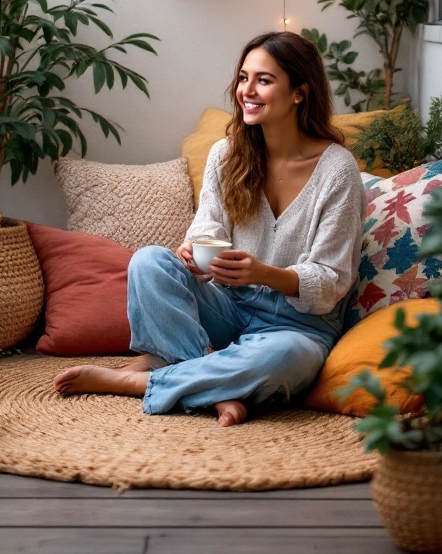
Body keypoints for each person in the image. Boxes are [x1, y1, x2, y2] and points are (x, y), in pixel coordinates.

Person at [54, 30, 366, 426]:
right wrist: (194, 255)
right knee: (149, 262)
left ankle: (144, 380)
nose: (246, 91)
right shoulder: (227, 154)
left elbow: (330, 282)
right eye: (243, 77)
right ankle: (215, 383)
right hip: (229, 306)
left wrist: (264, 274)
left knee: (284, 360)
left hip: (297, 325)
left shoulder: (338, 170)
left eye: (264, 80)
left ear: (299, 93)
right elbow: (207, 231)